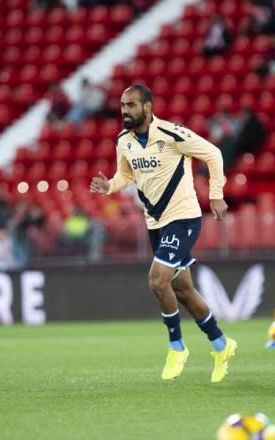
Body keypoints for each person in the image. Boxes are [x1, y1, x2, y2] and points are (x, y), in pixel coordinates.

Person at [89, 84, 236, 383]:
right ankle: (222, 345)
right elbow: (126, 175)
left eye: (131, 105)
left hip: (183, 218)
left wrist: (216, 194)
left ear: (147, 107)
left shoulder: (172, 134)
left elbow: (214, 154)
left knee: (157, 281)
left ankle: (176, 347)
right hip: (155, 223)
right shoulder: (123, 141)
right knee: (182, 290)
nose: (125, 111)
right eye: (122, 105)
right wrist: (110, 187)